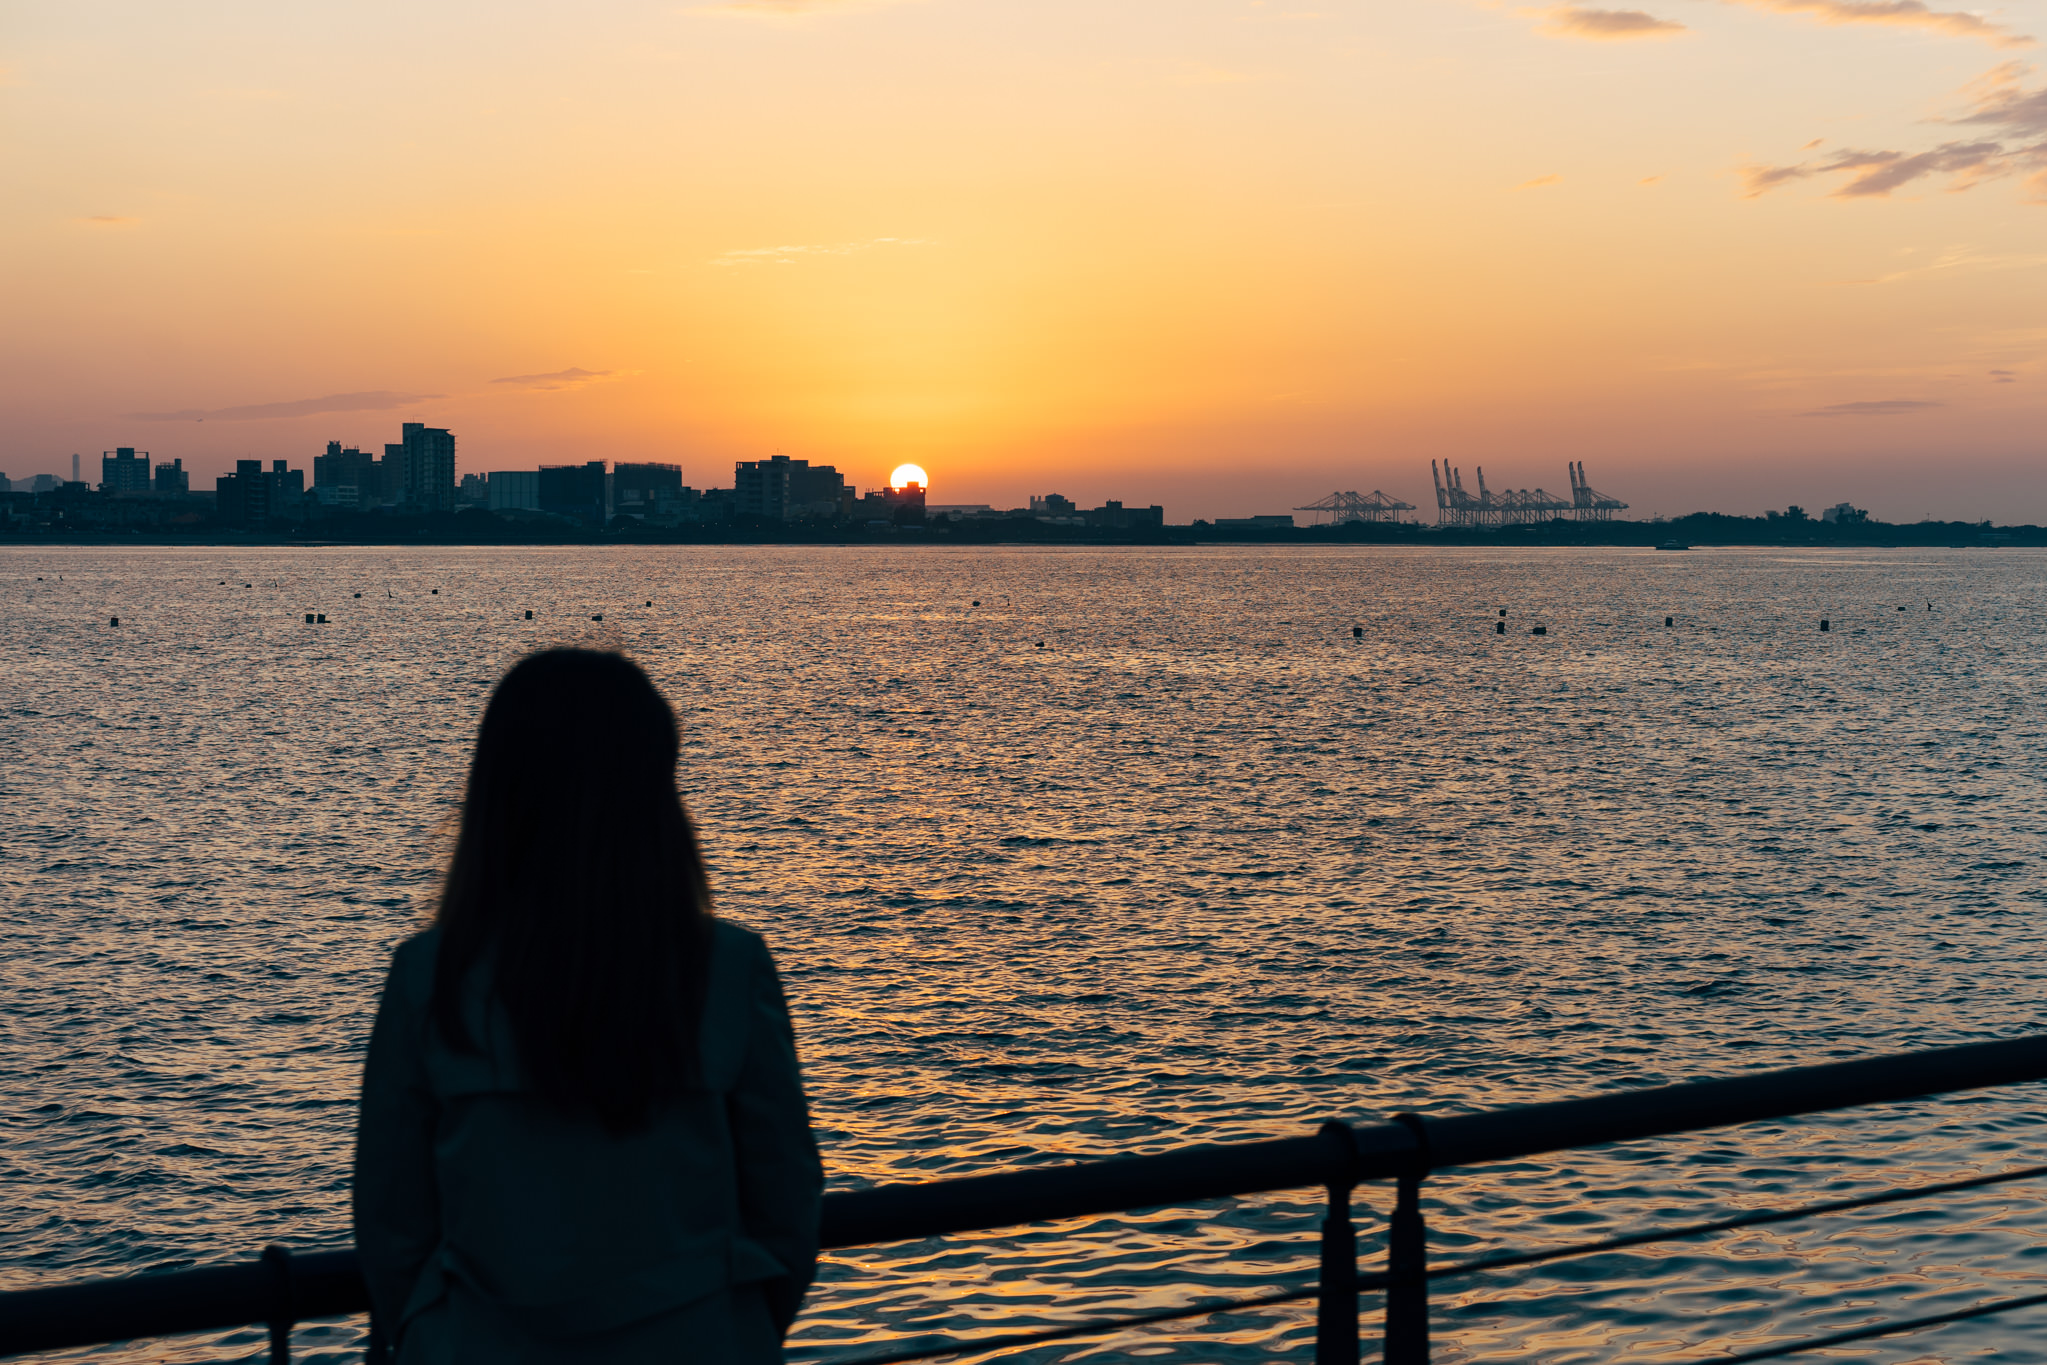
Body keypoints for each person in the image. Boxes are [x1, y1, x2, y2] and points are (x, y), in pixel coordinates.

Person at [353, 649, 822, 1363]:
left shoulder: (428, 977)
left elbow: (391, 1224)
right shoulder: (728, 968)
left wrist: (430, 1329)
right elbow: (785, 1203)